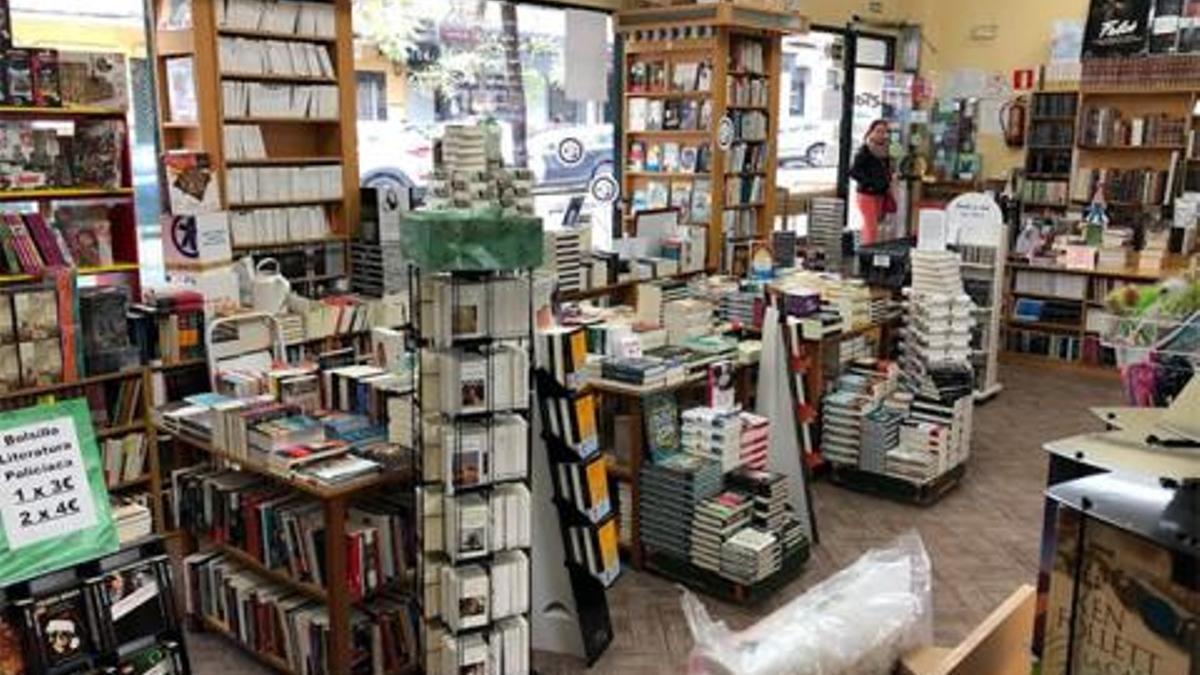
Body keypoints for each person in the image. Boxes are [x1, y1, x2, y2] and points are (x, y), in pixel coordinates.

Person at [848, 119, 894, 246]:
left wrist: (888, 180)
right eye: (878, 131)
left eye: (884, 132)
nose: (881, 135)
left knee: (873, 225)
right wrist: (870, 183)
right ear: (871, 132)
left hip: (880, 193)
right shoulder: (865, 150)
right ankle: (867, 255)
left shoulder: (885, 150)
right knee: (871, 225)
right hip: (866, 194)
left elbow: (886, 170)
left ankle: (867, 250)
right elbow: (853, 171)